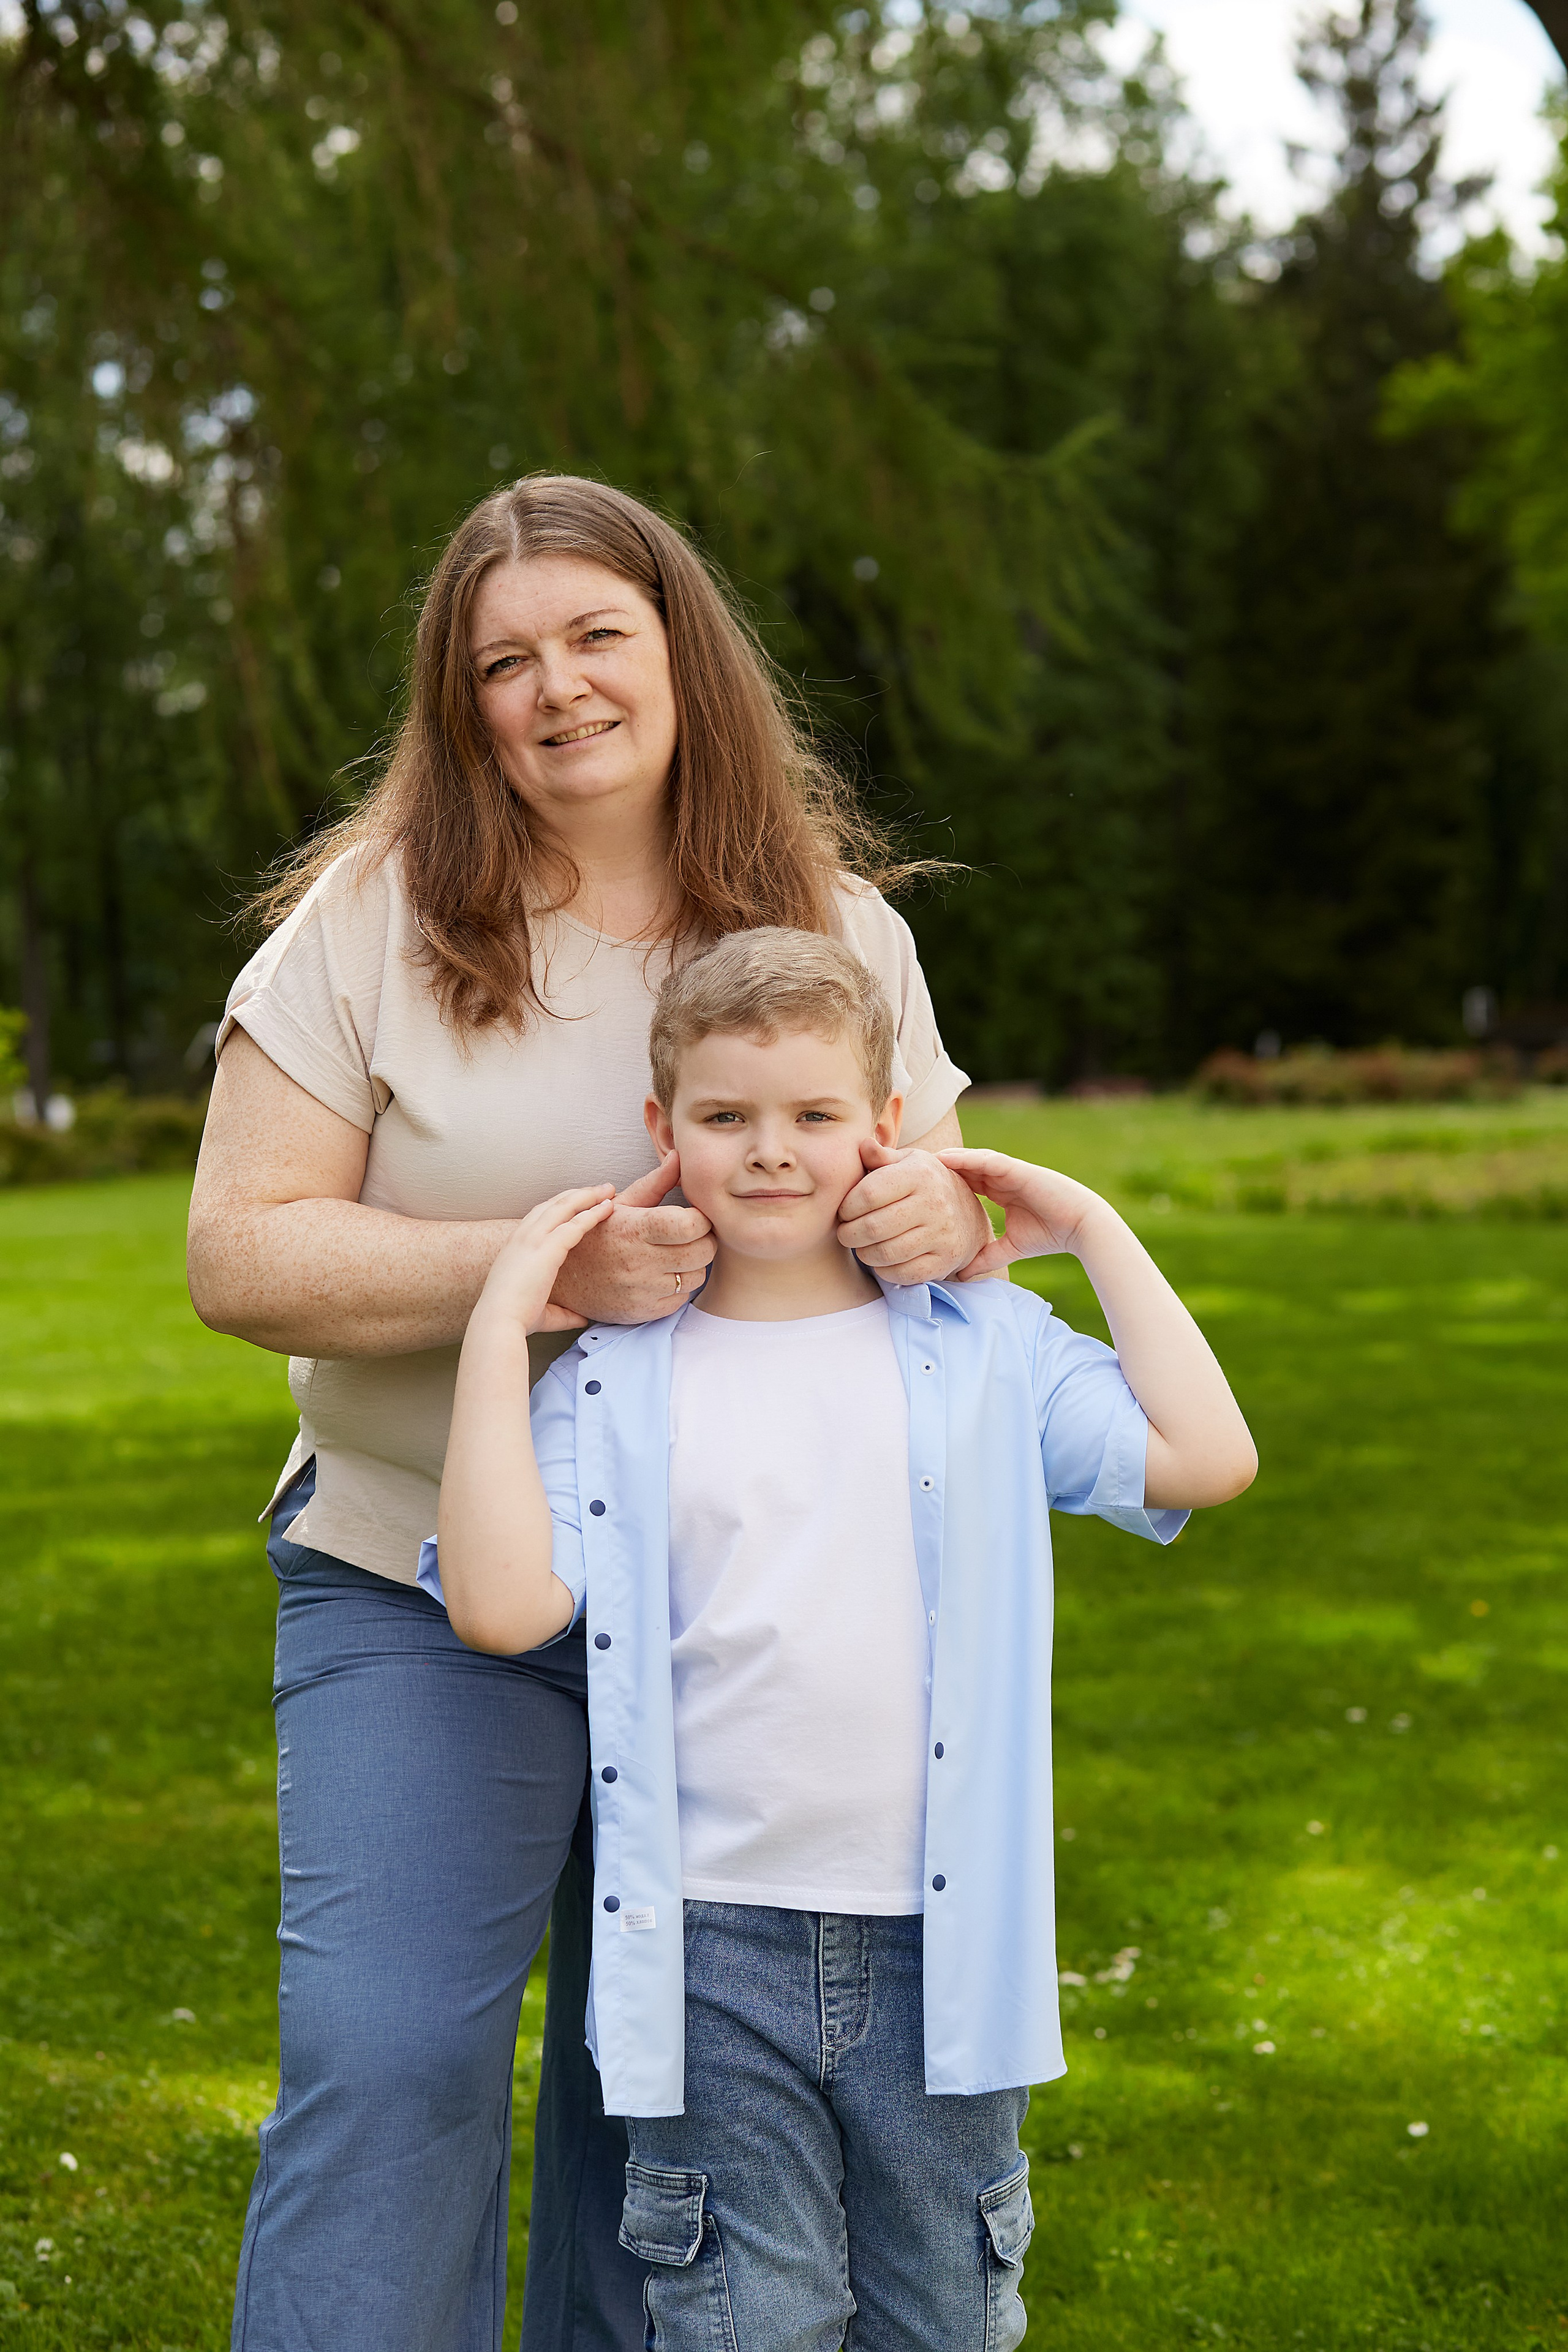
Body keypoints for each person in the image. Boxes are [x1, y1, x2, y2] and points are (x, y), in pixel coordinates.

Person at [186, 475, 996, 2352]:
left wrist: (949, 1220)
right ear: (459, 704)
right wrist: (538, 1273)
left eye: (595, 638)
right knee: (389, 2064)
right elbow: (240, 1256)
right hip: (417, 1586)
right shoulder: (372, 920)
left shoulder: (838, 931)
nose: (557, 690)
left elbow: (949, 1245)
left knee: (668, 2118)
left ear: (680, 651)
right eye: (504, 664)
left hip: (736, 1625)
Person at [427, 926, 1260, 2352]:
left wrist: (1084, 1227)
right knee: (749, 2320)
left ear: (885, 1129)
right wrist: (507, 1318)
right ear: (662, 1132)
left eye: (814, 1116)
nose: (769, 1152)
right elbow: (501, 1607)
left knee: (945, 2315)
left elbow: (1204, 1456)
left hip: (943, 1945)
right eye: (726, 1118)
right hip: (704, 1953)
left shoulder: (981, 1348)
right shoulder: (614, 1384)